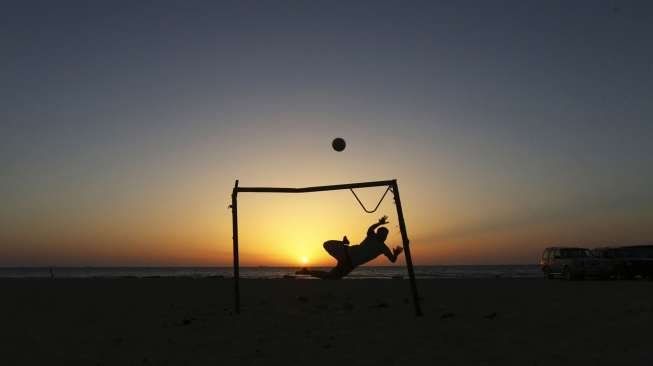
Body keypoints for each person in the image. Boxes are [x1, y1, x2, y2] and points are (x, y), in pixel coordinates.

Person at [296, 215, 404, 279]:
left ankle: (307, 271)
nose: (384, 236)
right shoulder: (372, 236)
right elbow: (370, 228)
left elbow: (393, 260)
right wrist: (379, 223)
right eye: (382, 233)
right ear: (378, 233)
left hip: (349, 265)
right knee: (326, 244)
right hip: (347, 253)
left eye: (385, 235)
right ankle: (344, 243)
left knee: (330, 278)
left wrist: (396, 254)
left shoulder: (384, 248)